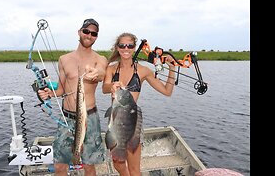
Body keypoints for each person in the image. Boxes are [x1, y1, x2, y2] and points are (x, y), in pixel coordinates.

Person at [38, 18, 108, 176]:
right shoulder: (64, 59)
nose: (89, 35)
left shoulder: (100, 59)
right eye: (86, 31)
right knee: (60, 165)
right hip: (66, 118)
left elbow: (102, 73)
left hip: (89, 118)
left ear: (96, 37)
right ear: (79, 32)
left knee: (89, 166)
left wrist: (97, 74)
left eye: (93, 33)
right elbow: (62, 89)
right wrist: (50, 93)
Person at [102, 32, 176, 176]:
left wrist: (172, 68)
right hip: (115, 118)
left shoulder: (143, 71)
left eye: (130, 45)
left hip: (133, 121)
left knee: (134, 168)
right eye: (122, 45)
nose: (126, 48)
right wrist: (112, 85)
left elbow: (167, 91)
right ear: (117, 47)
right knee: (118, 163)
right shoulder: (111, 69)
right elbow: (104, 88)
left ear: (134, 48)